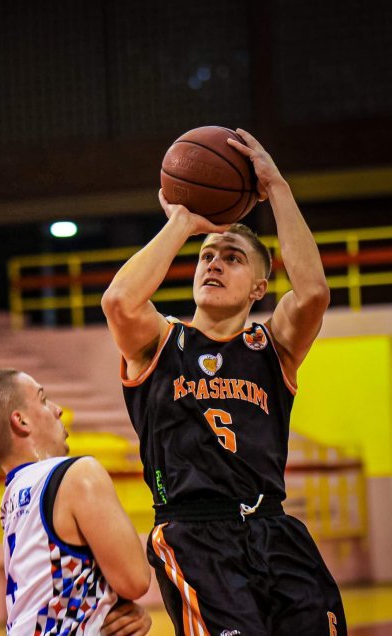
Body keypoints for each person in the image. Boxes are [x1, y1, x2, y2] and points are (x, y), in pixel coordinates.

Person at [102, 129, 346, 634]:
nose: (213, 262)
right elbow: (118, 302)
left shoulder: (270, 347)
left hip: (275, 529)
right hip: (194, 534)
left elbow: (315, 293)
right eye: (207, 256)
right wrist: (183, 224)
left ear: (260, 286)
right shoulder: (160, 341)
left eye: (232, 257)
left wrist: (276, 186)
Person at [0, 369, 153, 636]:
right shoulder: (78, 474)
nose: (58, 410)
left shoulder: (13, 496)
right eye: (43, 399)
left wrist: (112, 607)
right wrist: (127, 606)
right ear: (21, 421)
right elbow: (136, 581)